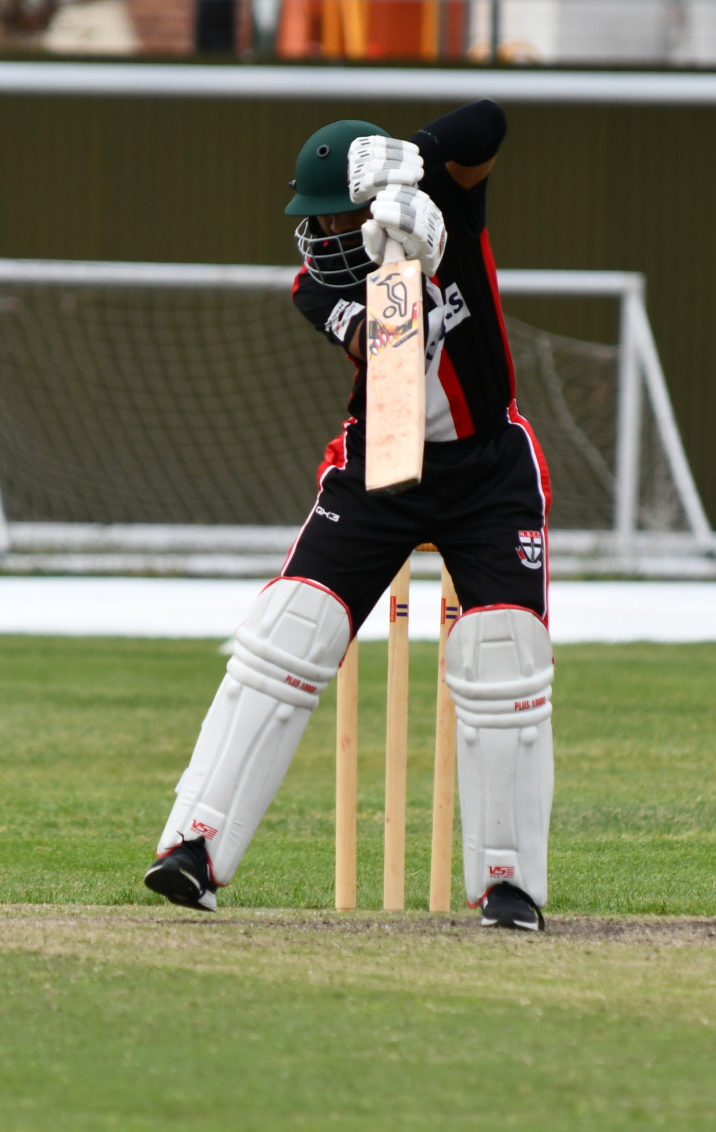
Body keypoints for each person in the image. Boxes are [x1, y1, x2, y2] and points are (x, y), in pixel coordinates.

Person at [144, 100, 553, 931]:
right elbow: (391, 357)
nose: (319, 234)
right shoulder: (316, 286)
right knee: (288, 632)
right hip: (379, 466)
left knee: (503, 657)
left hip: (489, 470)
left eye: (331, 215)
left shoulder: (445, 190)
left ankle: (509, 884)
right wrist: (403, 264)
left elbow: (490, 120)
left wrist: (419, 171)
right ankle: (194, 848)